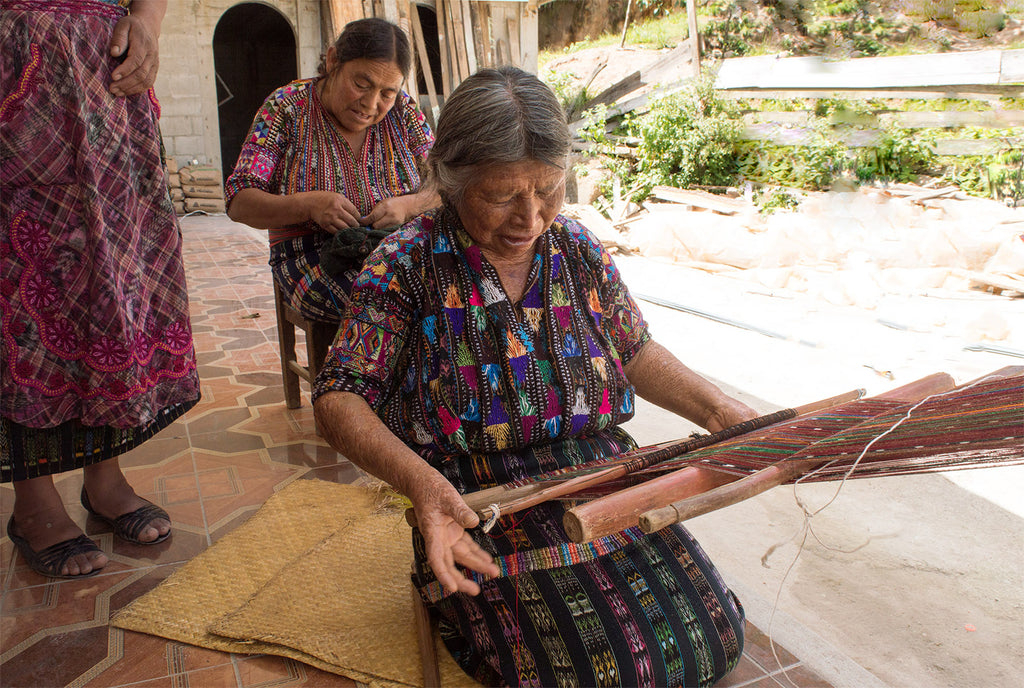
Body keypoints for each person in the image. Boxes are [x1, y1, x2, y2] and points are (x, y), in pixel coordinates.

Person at [312, 66, 758, 687]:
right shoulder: (405, 264)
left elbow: (632, 349)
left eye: (548, 191)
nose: (530, 218)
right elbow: (340, 398)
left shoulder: (576, 248)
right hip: (481, 497)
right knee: (598, 672)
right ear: (448, 181)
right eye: (501, 196)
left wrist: (717, 411)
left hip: (603, 472)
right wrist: (425, 488)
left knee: (713, 638)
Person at [1, 0, 200, 578]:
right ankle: (33, 502)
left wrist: (148, 23)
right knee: (25, 286)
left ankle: (104, 479)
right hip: (17, 64)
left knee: (114, 287)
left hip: (105, 76)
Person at [224, 17, 439, 323]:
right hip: (312, 261)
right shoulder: (287, 108)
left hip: (394, 251)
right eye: (361, 85)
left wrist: (409, 205)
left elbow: (449, 184)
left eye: (386, 93)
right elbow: (239, 201)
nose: (371, 103)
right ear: (334, 59)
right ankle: (362, 371)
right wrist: (310, 205)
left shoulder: (403, 112)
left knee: (458, 288)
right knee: (394, 299)